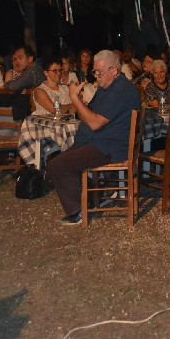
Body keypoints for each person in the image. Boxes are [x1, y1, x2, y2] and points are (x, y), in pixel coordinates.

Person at [47, 50, 141, 226]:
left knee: (58, 165)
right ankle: (90, 198)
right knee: (57, 161)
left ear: (114, 70)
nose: (96, 76)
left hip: (109, 147)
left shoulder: (120, 90)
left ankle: (79, 211)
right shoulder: (107, 87)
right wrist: (82, 107)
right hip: (97, 141)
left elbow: (95, 123)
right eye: (94, 72)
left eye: (100, 72)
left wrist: (75, 99)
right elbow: (88, 115)